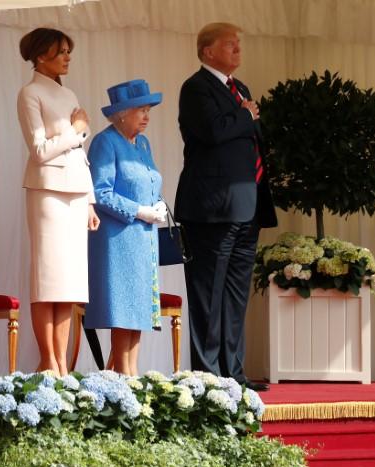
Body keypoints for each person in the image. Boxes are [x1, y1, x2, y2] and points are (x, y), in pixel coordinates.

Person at [174, 22, 277, 391]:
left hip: (247, 206)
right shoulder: (196, 88)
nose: (237, 50)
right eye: (230, 45)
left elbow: (252, 140)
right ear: (207, 52)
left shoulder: (241, 89)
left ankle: (233, 373)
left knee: (235, 293)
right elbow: (214, 132)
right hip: (210, 209)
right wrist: (245, 115)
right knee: (207, 292)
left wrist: (246, 114)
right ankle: (207, 374)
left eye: (238, 45)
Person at [17, 27, 100, 376]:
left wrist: (91, 201)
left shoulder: (70, 93)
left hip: (77, 192)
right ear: (40, 56)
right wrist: (76, 129)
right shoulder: (30, 93)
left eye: (68, 51)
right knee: (47, 280)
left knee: (69, 282)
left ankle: (62, 362)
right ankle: (47, 359)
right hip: (48, 192)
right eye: (60, 51)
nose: (67, 57)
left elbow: (78, 152)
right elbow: (39, 151)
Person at [85, 80, 167, 377]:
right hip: (118, 238)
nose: (146, 117)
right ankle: (124, 377)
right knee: (124, 308)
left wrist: (156, 206)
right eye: (140, 111)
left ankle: (131, 374)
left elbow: (149, 181)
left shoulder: (142, 143)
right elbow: (100, 191)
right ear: (120, 114)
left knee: (140, 310)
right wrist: (139, 211)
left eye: (148, 111)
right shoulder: (105, 142)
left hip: (144, 238)